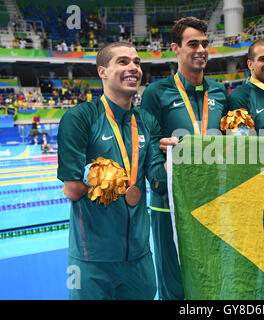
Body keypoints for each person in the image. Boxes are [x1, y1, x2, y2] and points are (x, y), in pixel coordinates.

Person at [57, 42, 166, 300]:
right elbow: (72, 190)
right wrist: (97, 177)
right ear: (102, 72)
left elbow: (158, 181)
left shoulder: (147, 121)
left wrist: (173, 155)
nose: (133, 68)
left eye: (137, 62)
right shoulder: (80, 118)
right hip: (92, 259)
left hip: (140, 257)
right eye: (123, 62)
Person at [140, 16, 228, 300]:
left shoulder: (218, 91)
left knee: (213, 273)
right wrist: (158, 179)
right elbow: (147, 142)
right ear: (175, 49)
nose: (201, 49)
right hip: (169, 202)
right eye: (193, 44)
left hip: (212, 199)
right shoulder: (157, 93)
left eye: (205, 43)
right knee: (172, 280)